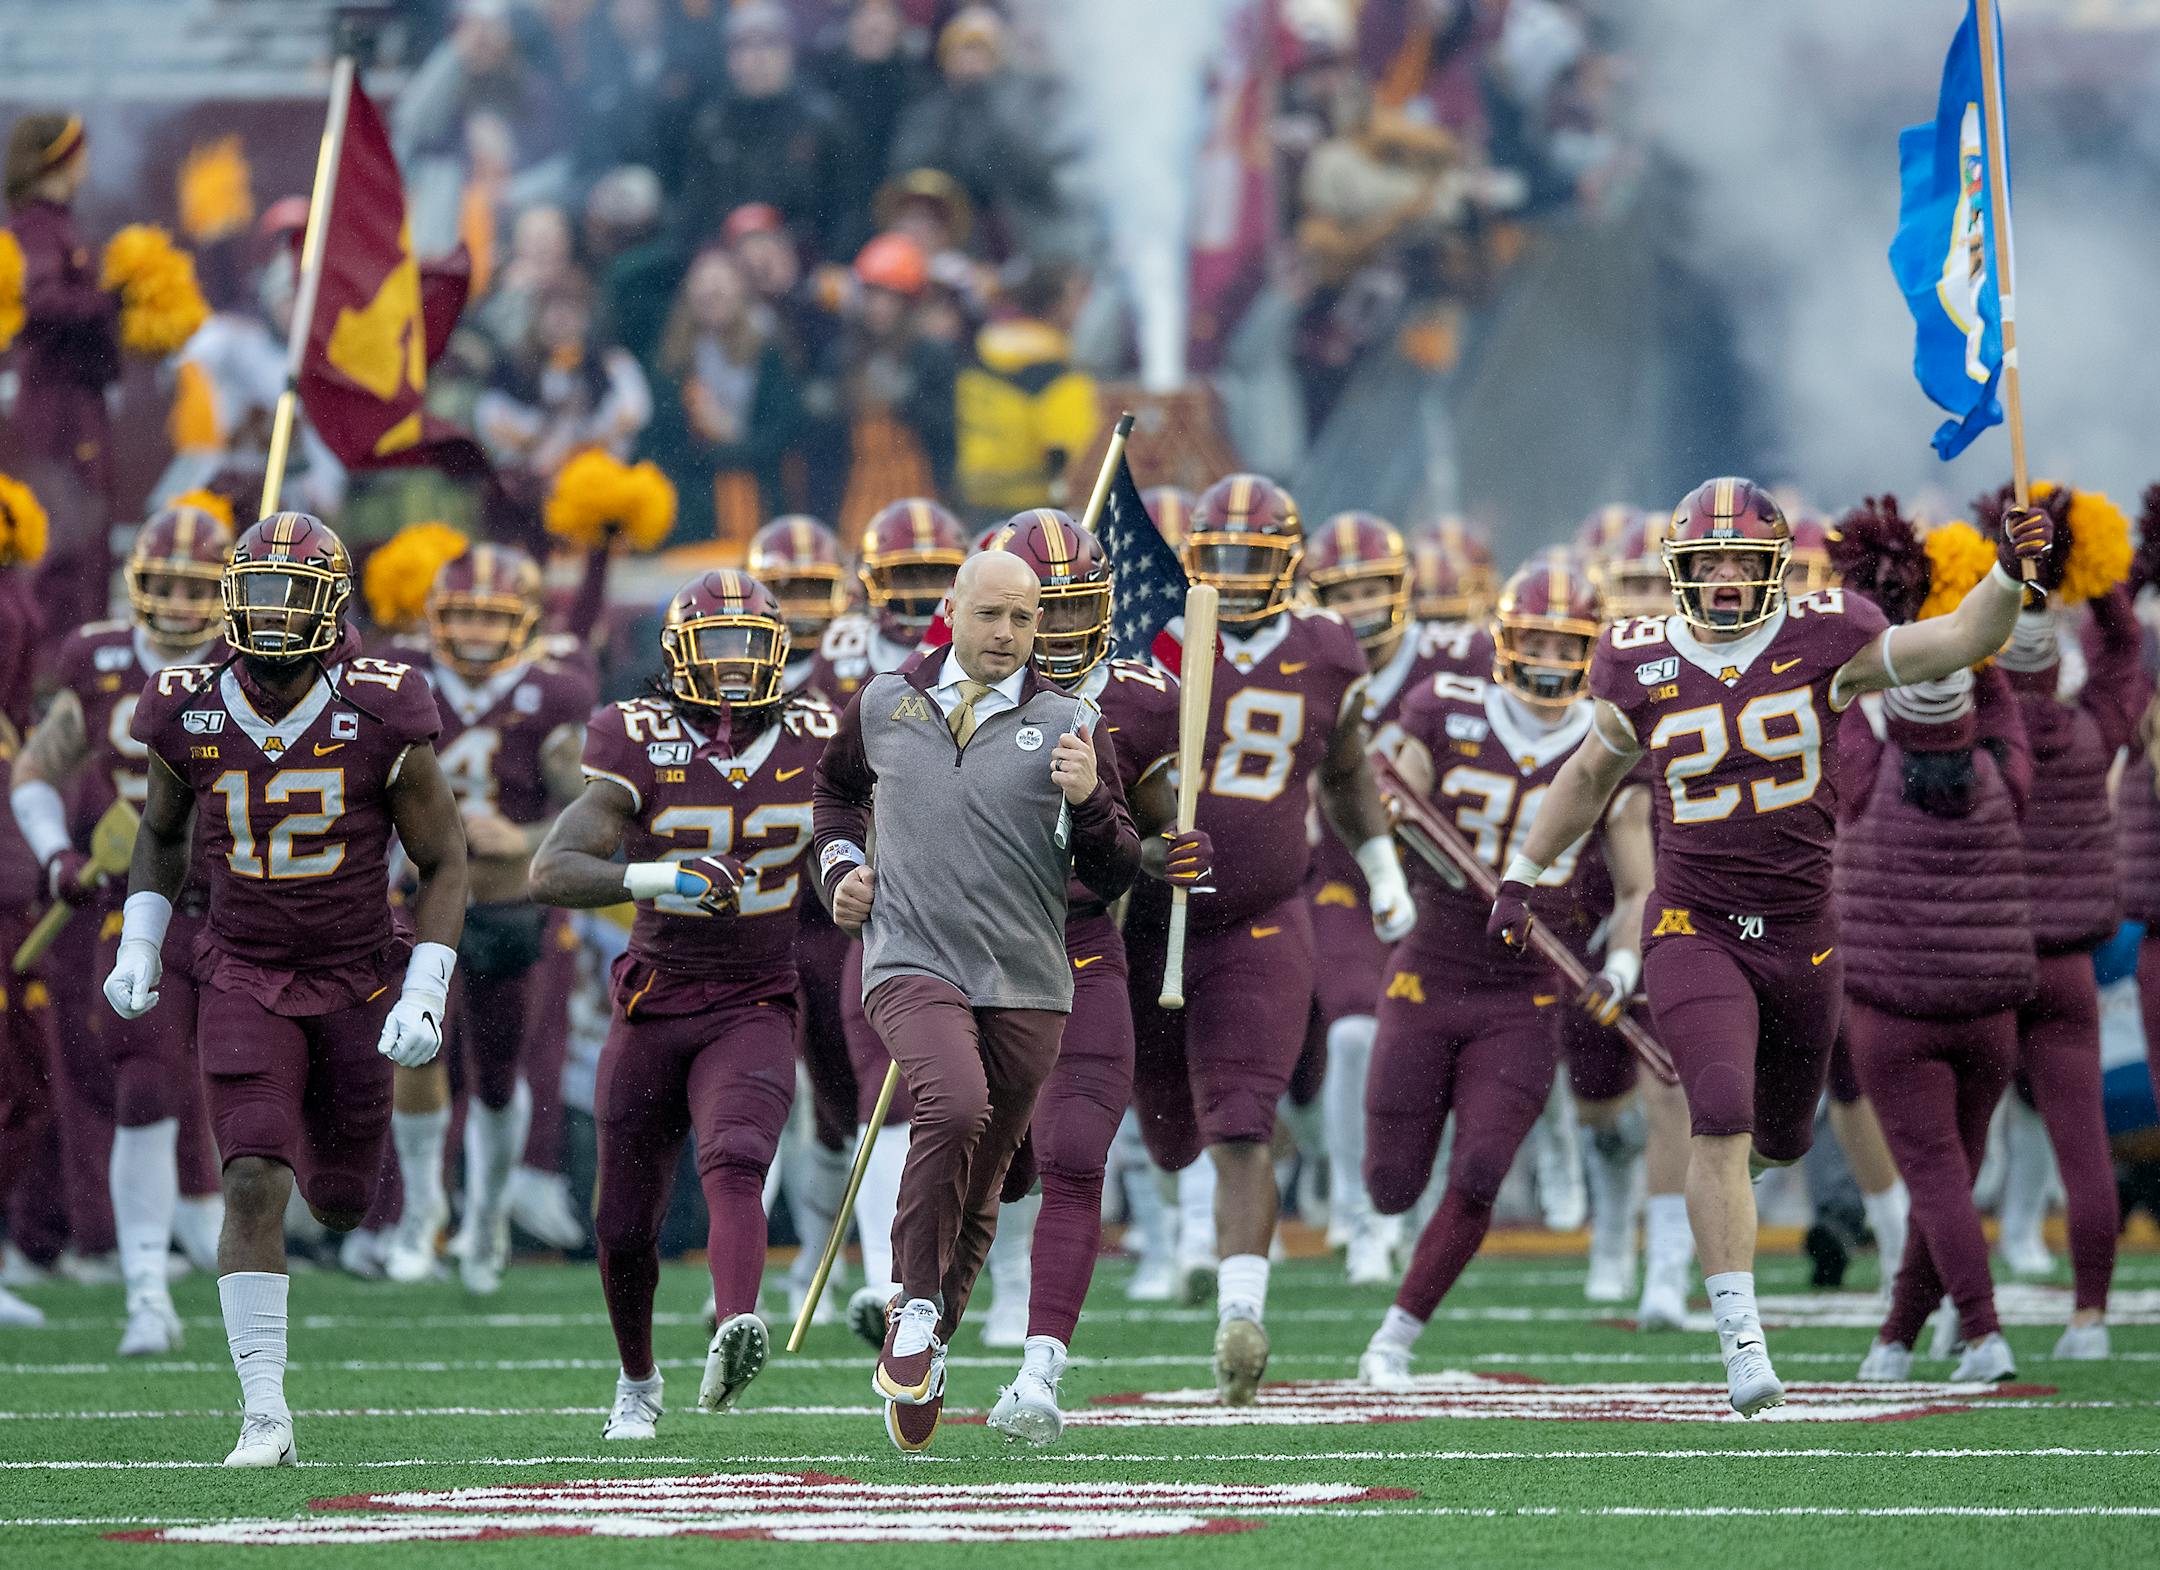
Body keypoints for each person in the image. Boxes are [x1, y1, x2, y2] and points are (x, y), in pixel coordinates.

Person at [1490, 476, 2051, 1416]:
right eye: (1702, 564)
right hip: (1693, 924)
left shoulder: (1827, 636)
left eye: (1736, 564)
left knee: (1783, 1137)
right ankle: (1742, 1342)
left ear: (1773, 572)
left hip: (1801, 933)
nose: (1717, 582)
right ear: (1678, 572)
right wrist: (1525, 873)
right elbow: (1588, 775)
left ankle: (1737, 1198)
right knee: (1716, 1109)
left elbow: (1963, 639)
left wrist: (2007, 574)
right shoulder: (1635, 660)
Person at [106, 512, 468, 1467]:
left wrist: (424, 987)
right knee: (253, 1177)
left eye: (291, 593)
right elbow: (161, 829)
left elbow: (443, 857)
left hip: (357, 973)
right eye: (256, 592)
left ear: (331, 605)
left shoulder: (384, 705)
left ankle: (333, 1163)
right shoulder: (185, 704)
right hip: (241, 968)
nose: (270, 615)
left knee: (344, 1200)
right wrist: (144, 938)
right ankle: (264, 1410)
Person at [811, 548, 1139, 1453]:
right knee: (950, 1105)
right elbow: (836, 795)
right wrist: (839, 868)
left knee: (989, 1174)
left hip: (1028, 978)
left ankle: (935, 1332)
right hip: (911, 958)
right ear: (952, 610)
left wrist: (1094, 806)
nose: (1006, 635)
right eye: (990, 615)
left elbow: (1115, 868)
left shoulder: (1071, 721)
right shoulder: (883, 699)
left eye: (1024, 620)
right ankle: (912, 1310)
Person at [1125, 474, 1414, 1405]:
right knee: (1168, 1130)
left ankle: (1240, 1313)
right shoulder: (1153, 641)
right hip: (1150, 913)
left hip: (1261, 914)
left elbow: (1346, 769)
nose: (1240, 575)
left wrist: (1383, 866)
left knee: (1241, 1118)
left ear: (1290, 565)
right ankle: (1175, 1229)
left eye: (1257, 559)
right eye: (1222, 558)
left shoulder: (1328, 650)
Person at [531, 570, 836, 1440]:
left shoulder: (820, 736)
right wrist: (662, 875)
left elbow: (868, 835)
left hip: (757, 997)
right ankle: (637, 1380)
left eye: (753, 647)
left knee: (738, 1156)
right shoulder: (637, 735)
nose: (738, 666)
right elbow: (550, 870)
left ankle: (735, 1317)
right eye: (719, 647)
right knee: (624, 1223)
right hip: (657, 1001)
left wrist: (856, 876)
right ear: (677, 657)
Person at [1356, 557, 1654, 1387]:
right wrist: (1390, 811)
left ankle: (1396, 1337)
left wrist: (1624, 965)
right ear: (1504, 641)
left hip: (1525, 987)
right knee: (1389, 1183)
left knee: (1483, 1170)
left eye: (1569, 647)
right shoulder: (1443, 708)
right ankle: (1387, 1239)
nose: (1553, 663)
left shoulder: (1612, 738)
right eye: (1538, 642)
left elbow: (1638, 886)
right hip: (1429, 966)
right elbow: (1393, 796)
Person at [973, 512, 1197, 1443]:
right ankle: (923, 1326)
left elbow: (1149, 836)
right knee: (979, 1161)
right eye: (1038, 613)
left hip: (1080, 942)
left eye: (1075, 611)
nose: (1060, 634)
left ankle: (1039, 1372)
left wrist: (1170, 851)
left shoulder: (1144, 698)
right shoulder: (943, 693)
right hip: (973, 952)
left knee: (1074, 1157)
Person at [10, 503, 233, 1354]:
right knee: (143, 1076)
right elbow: (37, 767)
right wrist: (59, 852)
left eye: (195, 588)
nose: (178, 605)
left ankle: (241, 1239)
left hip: (247, 899)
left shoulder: (257, 659)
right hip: (141, 900)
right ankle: (147, 1289)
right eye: (165, 586)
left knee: (256, 1084)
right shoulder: (100, 659)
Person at [1827, 499, 2036, 1382]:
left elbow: (1837, 691)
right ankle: (1897, 1339)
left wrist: (1883, 619)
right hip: (1990, 1016)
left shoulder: (1866, 773)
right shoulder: (1998, 774)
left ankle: (1983, 1332)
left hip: (1897, 1017)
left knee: (1936, 1182)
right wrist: (1968, 622)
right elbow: (1989, 687)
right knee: (1947, 1176)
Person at [373, 545, 594, 1293]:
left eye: (489, 616)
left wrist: (527, 838)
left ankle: (487, 1219)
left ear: (525, 622)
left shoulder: (552, 692)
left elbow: (591, 807)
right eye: (461, 612)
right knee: (415, 1052)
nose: (470, 630)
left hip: (505, 903)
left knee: (497, 1076)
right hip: (415, 900)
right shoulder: (398, 679)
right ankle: (419, 1217)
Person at [1299, 511, 1483, 1285]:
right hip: (1342, 878)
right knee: (1350, 1038)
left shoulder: (1459, 655)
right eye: (1347, 592)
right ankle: (1356, 1205)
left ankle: (1417, 1197)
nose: (1365, 607)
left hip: (1438, 884)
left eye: (1376, 589)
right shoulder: (1304, 658)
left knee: (1430, 1047)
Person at [1980, 483, 2143, 1359]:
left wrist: (2010, 569)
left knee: (1954, 1153)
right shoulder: (2092, 730)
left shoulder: (1971, 732)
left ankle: (1960, 1317)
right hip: (2068, 967)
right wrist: (2093, 572)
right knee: (2083, 1148)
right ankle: (2089, 1317)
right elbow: (2123, 651)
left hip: (1981, 967)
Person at [747, 515, 859, 1325]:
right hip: (749, 914)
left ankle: (823, 1266)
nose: (796, 608)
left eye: (811, 591)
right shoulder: (728, 668)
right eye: (781, 591)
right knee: (757, 1094)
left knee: (838, 1101)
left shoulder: (857, 667)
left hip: (830, 916)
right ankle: (785, 1271)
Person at [4, 112, 119, 635]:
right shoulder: (37, 228)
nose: (87, 165)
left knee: (85, 535)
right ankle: (54, 665)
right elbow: (41, 304)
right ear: (60, 158)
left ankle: (72, 652)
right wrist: (112, 299)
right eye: (80, 152)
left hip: (73, 399)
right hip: (59, 402)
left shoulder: (55, 225)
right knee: (66, 536)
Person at [648, 246, 803, 545]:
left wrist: (727, 434)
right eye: (703, 286)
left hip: (759, 499)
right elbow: (666, 442)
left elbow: (782, 431)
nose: (711, 293)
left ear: (740, 291)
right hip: (696, 512)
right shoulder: (673, 363)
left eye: (721, 285)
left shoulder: (769, 353)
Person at [953, 260, 1098, 520]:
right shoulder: (1059, 376)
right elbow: (1076, 457)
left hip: (973, 507)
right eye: (1077, 298)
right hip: (1033, 515)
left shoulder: (981, 351)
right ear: (1055, 307)